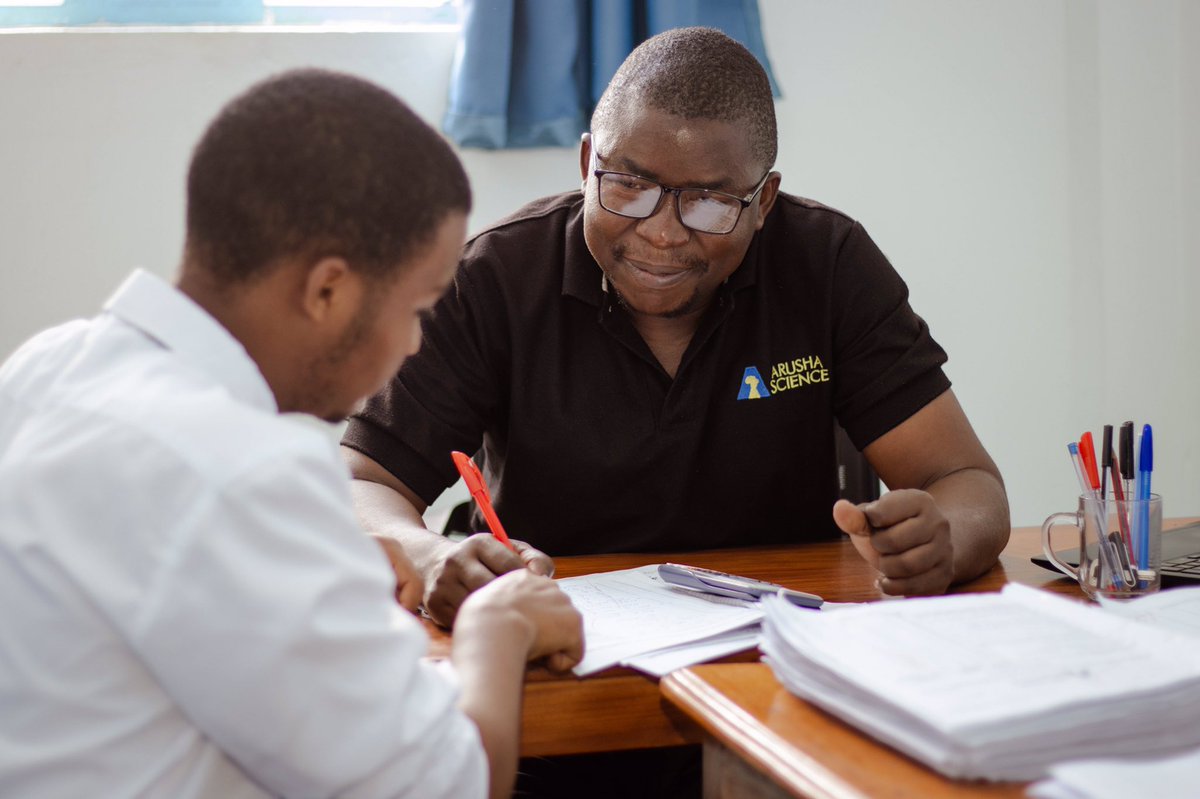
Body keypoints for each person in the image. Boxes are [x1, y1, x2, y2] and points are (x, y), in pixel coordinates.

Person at [0, 69, 582, 799]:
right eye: (417, 309)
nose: (410, 347)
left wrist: (314, 568)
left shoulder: (46, 366)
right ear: (327, 291)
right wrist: (499, 628)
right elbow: (444, 784)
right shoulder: (244, 468)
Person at [343, 27, 1010, 627]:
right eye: (628, 186)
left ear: (763, 201)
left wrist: (941, 537)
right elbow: (361, 484)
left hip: (777, 662)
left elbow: (967, 482)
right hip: (558, 655)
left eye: (710, 202)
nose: (661, 233)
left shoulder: (827, 264)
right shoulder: (497, 277)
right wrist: (429, 555)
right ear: (586, 166)